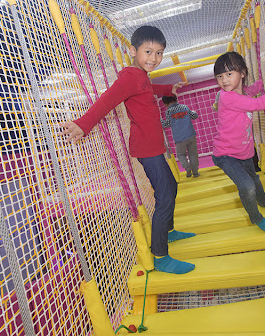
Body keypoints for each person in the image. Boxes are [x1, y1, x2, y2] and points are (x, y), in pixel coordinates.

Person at [59, 26, 196, 274]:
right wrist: (84, 124)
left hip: (154, 146)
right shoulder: (130, 77)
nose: (154, 58)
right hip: (147, 148)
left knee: (171, 187)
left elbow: (148, 90)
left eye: (159, 53)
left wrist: (168, 90)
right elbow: (108, 100)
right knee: (165, 196)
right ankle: (160, 256)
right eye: (148, 51)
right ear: (133, 51)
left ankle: (168, 230)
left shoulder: (141, 76)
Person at [212, 51, 265, 233]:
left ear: (242, 73)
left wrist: (264, 81)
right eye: (219, 76)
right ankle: (256, 218)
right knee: (247, 186)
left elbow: (253, 89)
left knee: (255, 180)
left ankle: (264, 201)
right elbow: (260, 104)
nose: (224, 80)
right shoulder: (227, 97)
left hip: (244, 152)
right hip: (226, 154)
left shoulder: (244, 92)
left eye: (229, 74)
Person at [161, 95, 200, 177]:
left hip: (179, 138)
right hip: (190, 134)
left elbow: (167, 124)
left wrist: (160, 121)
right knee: (193, 154)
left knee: (181, 154)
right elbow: (194, 116)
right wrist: (194, 112)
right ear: (176, 99)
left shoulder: (168, 112)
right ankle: (195, 172)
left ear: (165, 104)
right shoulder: (184, 107)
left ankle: (187, 167)